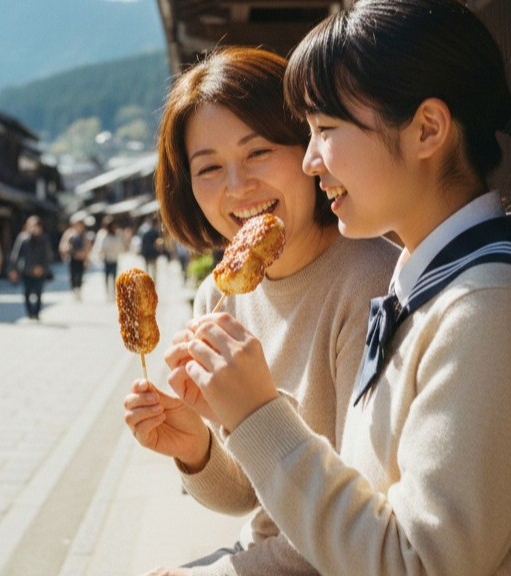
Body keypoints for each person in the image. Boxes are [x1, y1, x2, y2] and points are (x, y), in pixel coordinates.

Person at [169, 2, 511, 574]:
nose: (309, 161)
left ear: (427, 128)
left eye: (326, 130)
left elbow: (415, 564)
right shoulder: (431, 288)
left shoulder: (493, 309)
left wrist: (258, 413)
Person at [122, 46, 397, 575]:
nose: (237, 187)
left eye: (259, 152)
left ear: (308, 150)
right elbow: (252, 497)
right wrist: (197, 447)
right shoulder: (217, 300)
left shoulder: (369, 284)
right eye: (208, 168)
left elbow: (357, 532)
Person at [8, 215, 53, 321]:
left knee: (38, 292)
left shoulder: (44, 239)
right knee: (27, 293)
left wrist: (43, 268)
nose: (35, 229)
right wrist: (13, 269)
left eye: (37, 226)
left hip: (40, 270)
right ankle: (29, 312)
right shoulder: (22, 238)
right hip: (26, 270)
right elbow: (16, 255)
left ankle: (36, 313)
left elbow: (48, 255)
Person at [91, 216, 126, 299]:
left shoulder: (117, 234)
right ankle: (108, 292)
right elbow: (99, 246)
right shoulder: (102, 234)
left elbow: (121, 246)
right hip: (106, 258)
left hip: (114, 258)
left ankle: (113, 292)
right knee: (107, 276)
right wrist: (99, 255)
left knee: (114, 276)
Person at [59, 218, 92, 301]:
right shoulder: (69, 233)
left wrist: (86, 257)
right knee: (73, 275)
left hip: (81, 258)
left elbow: (88, 247)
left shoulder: (85, 235)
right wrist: (68, 251)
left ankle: (79, 290)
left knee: (80, 275)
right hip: (72, 257)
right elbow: (63, 245)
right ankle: (74, 290)